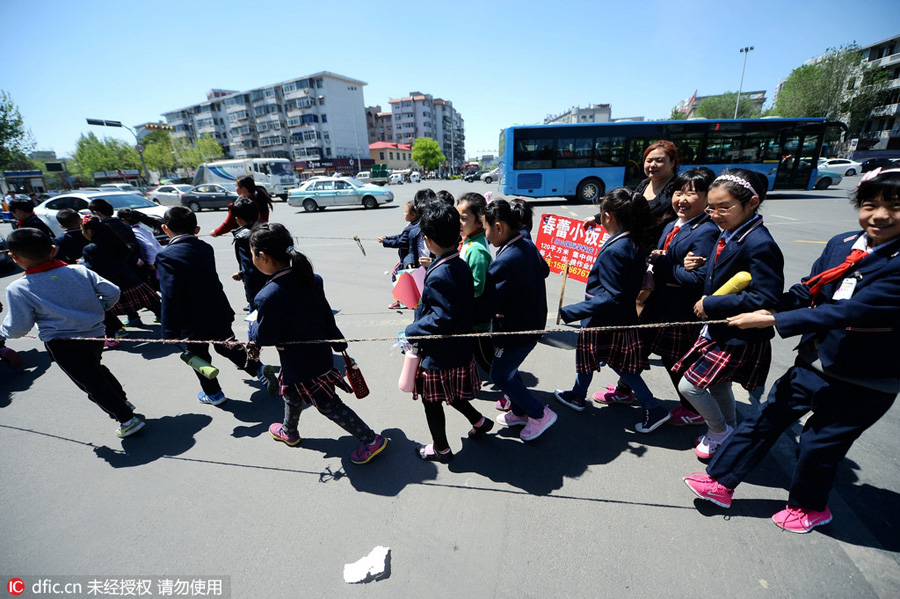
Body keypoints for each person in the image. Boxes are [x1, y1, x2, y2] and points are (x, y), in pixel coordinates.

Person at [684, 168, 900, 533]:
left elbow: (850, 310)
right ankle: (720, 481)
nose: (879, 215)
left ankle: (810, 507)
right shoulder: (843, 243)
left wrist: (773, 321)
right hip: (815, 360)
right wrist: (768, 308)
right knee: (765, 418)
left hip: (866, 377)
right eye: (869, 205)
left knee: (818, 446)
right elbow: (809, 289)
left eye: (893, 206)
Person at [249, 222, 388, 465]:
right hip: (318, 354)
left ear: (262, 256)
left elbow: (266, 337)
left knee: (328, 405)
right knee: (290, 394)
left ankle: (370, 439)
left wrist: (253, 329)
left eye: (252, 254)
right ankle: (289, 431)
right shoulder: (311, 278)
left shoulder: (268, 295)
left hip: (301, 364)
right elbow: (325, 315)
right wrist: (337, 341)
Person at [672, 169, 784, 459]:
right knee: (719, 384)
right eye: (711, 207)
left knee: (690, 386)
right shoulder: (731, 233)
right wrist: (696, 264)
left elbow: (766, 297)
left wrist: (711, 304)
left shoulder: (760, 243)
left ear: (752, 203)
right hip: (720, 329)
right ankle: (729, 431)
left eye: (725, 208)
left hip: (739, 333)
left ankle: (719, 430)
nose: (716, 214)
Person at [0, 228, 144, 438]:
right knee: (95, 369)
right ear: (53, 249)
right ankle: (121, 400)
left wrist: (4, 332)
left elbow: (18, 328)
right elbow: (112, 292)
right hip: (95, 334)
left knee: (90, 382)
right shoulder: (79, 270)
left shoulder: (19, 288)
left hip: (62, 343)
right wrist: (102, 308)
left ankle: (126, 418)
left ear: (14, 257)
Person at [554, 188, 672, 432]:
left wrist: (572, 311)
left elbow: (612, 295)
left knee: (618, 366)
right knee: (593, 358)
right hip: (618, 318)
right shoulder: (632, 240)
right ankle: (577, 394)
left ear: (607, 216)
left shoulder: (616, 249)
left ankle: (654, 407)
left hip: (604, 319)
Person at [625, 168, 721, 426]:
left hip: (678, 309)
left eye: (692, 193)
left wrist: (665, 262)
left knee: (674, 360)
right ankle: (624, 391)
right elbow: (661, 256)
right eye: (679, 192)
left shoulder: (707, 231)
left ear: (708, 197)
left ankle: (692, 408)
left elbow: (697, 279)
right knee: (635, 346)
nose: (682, 199)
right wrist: (659, 258)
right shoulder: (672, 223)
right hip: (657, 301)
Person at [156, 206, 277, 406]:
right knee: (227, 345)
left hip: (192, 318)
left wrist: (169, 331)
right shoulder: (205, 247)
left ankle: (214, 394)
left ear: (165, 228)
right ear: (197, 229)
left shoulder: (166, 255)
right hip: (218, 308)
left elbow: (171, 295)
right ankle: (258, 369)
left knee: (198, 355)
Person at [404, 202, 490, 462]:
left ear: (428, 240)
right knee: (452, 395)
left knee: (432, 402)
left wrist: (412, 329)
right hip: (459, 350)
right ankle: (479, 420)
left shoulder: (440, 272)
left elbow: (442, 317)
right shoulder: (459, 262)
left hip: (440, 354)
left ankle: (440, 448)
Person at [482, 198, 557, 441]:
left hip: (516, 330)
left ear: (499, 227)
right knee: (510, 369)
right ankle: (519, 409)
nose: (485, 234)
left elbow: (489, 302)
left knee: (500, 375)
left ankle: (539, 413)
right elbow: (543, 270)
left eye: (485, 228)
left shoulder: (505, 259)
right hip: (531, 323)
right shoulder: (525, 244)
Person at [81, 216, 161, 335]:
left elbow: (92, 269)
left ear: (89, 231)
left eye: (83, 230)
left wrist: (82, 264)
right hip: (132, 281)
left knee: (103, 309)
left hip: (112, 286)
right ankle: (167, 320)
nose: (82, 233)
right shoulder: (115, 241)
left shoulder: (90, 249)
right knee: (152, 303)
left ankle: (118, 329)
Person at [456, 192, 493, 375]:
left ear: (480, 222)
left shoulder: (477, 250)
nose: (459, 223)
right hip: (470, 313)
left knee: (487, 360)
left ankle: (512, 391)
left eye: (464, 219)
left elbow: (477, 288)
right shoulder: (469, 240)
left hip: (478, 318)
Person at [377, 200, 420, 309]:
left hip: (408, 259)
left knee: (397, 276)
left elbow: (400, 242)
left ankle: (403, 300)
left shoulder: (411, 228)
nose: (404, 214)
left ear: (413, 215)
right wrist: (387, 238)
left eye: (406, 211)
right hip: (411, 258)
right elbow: (400, 236)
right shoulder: (415, 225)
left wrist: (385, 242)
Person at [228, 198, 268, 312]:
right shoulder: (268, 231)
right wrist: (241, 273)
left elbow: (250, 270)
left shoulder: (243, 238)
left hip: (259, 292)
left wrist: (253, 302)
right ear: (258, 215)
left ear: (238, 219)